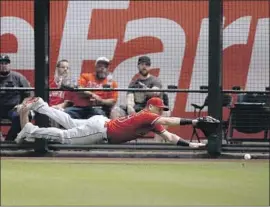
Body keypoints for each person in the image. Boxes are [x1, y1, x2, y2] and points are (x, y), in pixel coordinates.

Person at [14, 96, 219, 148]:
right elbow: (170, 121)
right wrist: (194, 122)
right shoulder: (147, 114)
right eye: (160, 108)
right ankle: (31, 129)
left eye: (162, 109)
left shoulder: (150, 121)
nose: (162, 111)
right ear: (152, 107)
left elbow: (169, 136)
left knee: (68, 120)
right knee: (66, 137)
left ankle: (40, 105)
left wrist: (191, 144)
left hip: (100, 123)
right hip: (100, 130)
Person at [0, 54, 32, 141]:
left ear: (9, 64)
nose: (3, 65)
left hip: (13, 108)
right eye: (1, 63)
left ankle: (8, 141)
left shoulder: (18, 77)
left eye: (6, 63)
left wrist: (22, 105)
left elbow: (28, 95)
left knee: (19, 116)